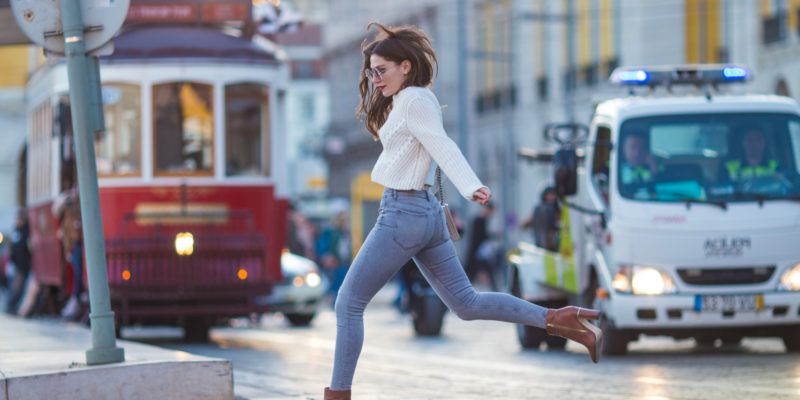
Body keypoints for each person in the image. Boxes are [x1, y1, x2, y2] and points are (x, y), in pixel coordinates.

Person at [323, 23, 602, 400]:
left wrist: (472, 185)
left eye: (382, 70)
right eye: (371, 72)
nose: (375, 80)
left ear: (406, 66)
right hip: (425, 216)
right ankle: (559, 320)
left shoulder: (415, 100)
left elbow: (442, 145)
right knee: (468, 304)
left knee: (348, 302)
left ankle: (338, 394)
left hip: (403, 214)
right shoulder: (411, 99)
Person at [465, 202, 498, 290]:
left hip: (479, 252)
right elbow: (481, 236)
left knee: (485, 270)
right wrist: (493, 235)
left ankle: (495, 289)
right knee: (470, 272)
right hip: (477, 252)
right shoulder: (479, 220)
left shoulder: (483, 220)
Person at [5, 209, 31, 314]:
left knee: (19, 287)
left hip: (23, 265)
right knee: (14, 287)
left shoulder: (26, 231)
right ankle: (10, 307)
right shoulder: (16, 230)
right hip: (15, 265)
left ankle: (13, 307)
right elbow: (11, 246)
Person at [521, 186, 561, 252]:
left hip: (554, 246)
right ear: (544, 196)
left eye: (553, 194)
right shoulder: (540, 209)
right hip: (543, 245)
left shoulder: (558, 209)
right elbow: (524, 224)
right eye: (549, 195)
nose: (551, 197)